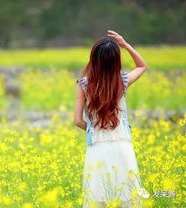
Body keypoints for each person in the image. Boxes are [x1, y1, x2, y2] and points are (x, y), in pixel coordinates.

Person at [74, 30, 148, 208]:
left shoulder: (84, 84)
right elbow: (142, 66)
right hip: (122, 144)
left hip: (98, 146)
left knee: (98, 195)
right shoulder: (123, 81)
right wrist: (126, 44)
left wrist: (94, 129)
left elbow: (77, 120)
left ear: (94, 58)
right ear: (116, 60)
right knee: (126, 192)